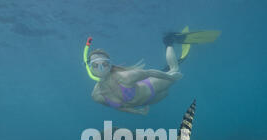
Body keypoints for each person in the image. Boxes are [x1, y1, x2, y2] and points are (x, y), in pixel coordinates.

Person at [84, 27, 221, 115]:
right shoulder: (96, 95)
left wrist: (171, 78)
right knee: (166, 93)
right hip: (149, 101)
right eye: (95, 65)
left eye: (104, 64)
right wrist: (137, 112)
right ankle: (169, 69)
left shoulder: (124, 77)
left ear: (110, 65)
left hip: (152, 87)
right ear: (90, 68)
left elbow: (149, 72)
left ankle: (169, 40)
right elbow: (119, 106)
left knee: (174, 70)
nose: (101, 68)